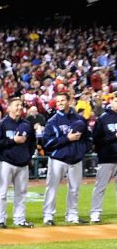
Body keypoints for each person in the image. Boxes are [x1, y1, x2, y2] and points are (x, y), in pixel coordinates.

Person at [40, 91, 91, 225]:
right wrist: (67, 139)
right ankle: (48, 216)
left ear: (69, 101)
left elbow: (88, 138)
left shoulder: (79, 119)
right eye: (58, 101)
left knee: (74, 189)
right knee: (52, 188)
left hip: (76, 159)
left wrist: (81, 151)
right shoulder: (52, 121)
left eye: (62, 100)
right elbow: (47, 143)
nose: (60, 103)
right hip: (58, 159)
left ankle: (72, 215)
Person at [0, 97, 36, 229]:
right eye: (16, 105)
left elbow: (32, 143)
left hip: (23, 164)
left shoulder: (27, 124)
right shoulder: (1, 125)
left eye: (21, 105)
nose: (19, 108)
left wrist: (28, 156)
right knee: (3, 192)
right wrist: (13, 141)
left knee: (21, 193)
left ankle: (19, 219)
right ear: (8, 108)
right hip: (6, 163)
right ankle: (0, 219)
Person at [88, 94, 117, 223]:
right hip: (107, 158)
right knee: (100, 187)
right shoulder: (103, 118)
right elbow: (96, 140)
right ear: (111, 101)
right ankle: (95, 213)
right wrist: (114, 136)